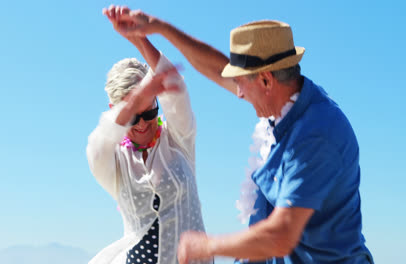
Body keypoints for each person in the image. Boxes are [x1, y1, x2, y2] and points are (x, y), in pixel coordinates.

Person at [107, 5, 374, 264]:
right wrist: (157, 29)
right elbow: (215, 67)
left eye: (242, 84)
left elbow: (281, 235)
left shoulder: (316, 136)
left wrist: (207, 245)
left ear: (266, 80)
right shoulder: (283, 99)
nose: (239, 93)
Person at [86, 6, 210, 264]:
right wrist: (133, 103)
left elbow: (175, 89)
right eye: (133, 117)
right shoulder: (115, 161)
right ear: (116, 112)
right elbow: (96, 148)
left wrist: (138, 38)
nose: (142, 125)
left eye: (149, 112)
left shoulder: (177, 139)